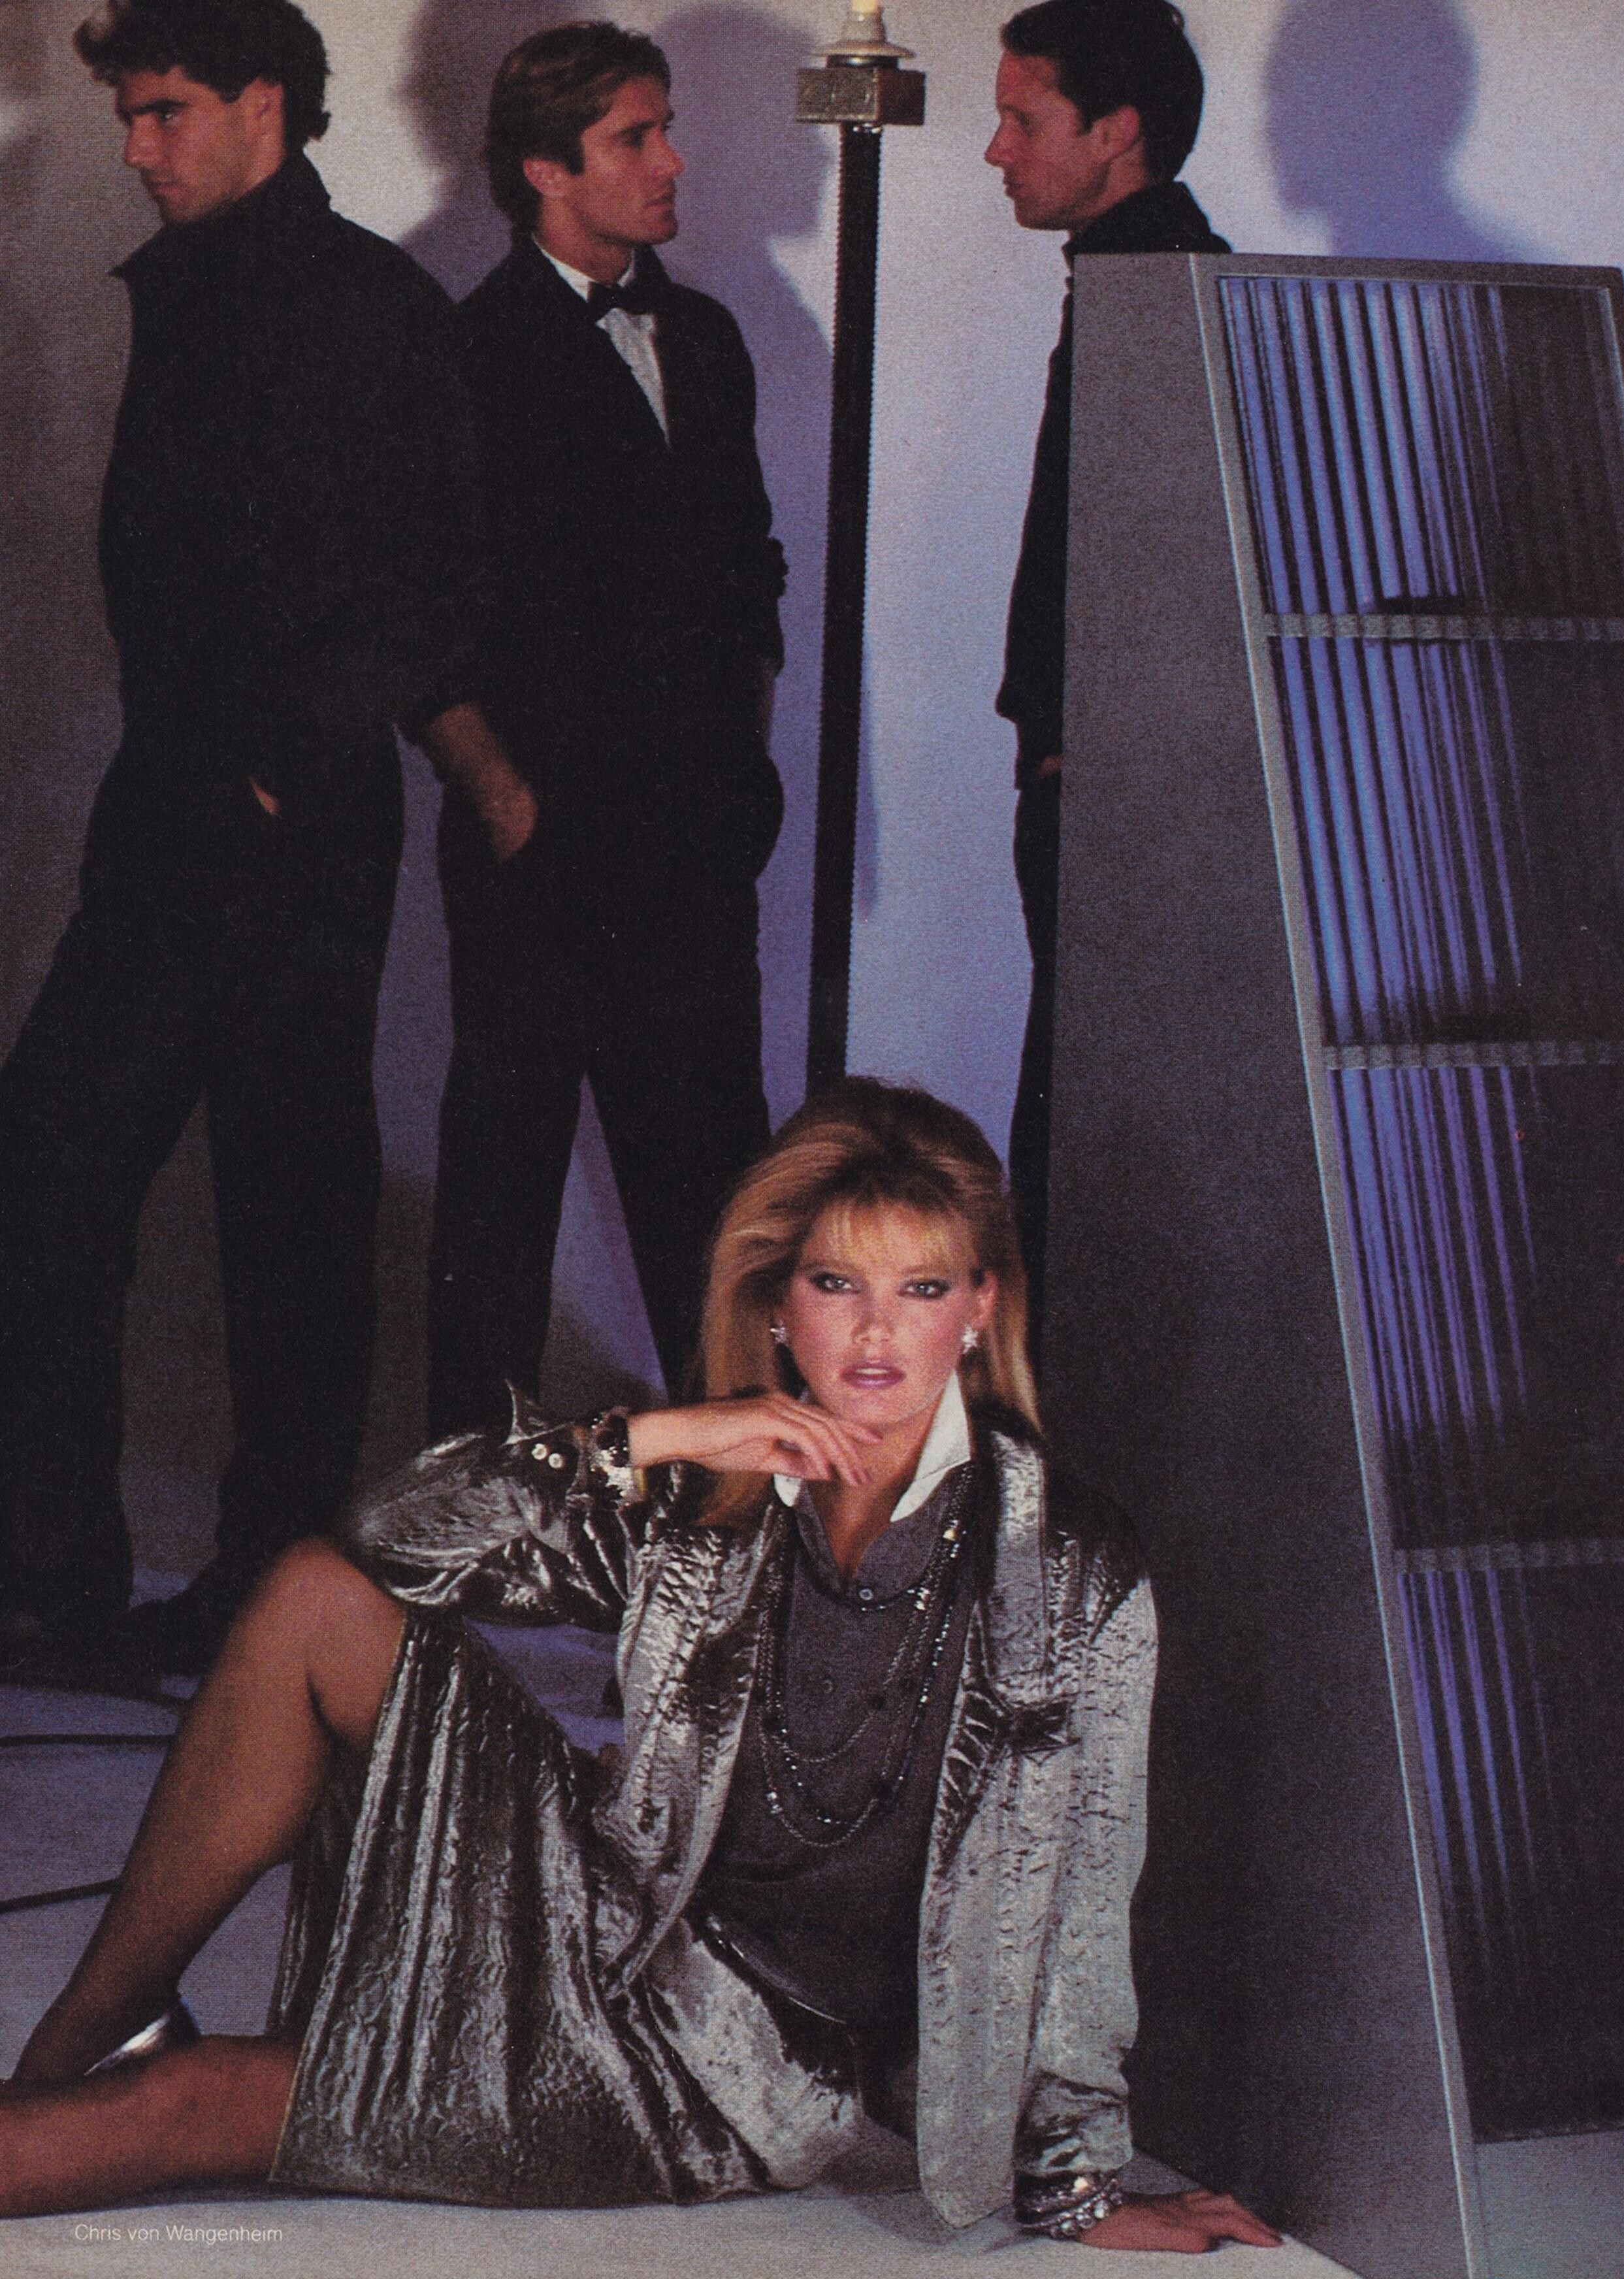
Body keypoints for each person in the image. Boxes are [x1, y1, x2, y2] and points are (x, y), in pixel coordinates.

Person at [1, 1079, 1278, 2256]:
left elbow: (1085, 1888)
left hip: (708, 2073)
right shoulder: (715, 1491)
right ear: (779, 1303)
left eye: (924, 1287)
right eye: (837, 1283)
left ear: (981, 1308)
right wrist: (656, 1435)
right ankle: (78, 2039)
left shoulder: (1067, 1567)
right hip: (586, 1905)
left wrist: (1079, 2181)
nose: (878, 1332)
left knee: (195, 2103)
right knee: (312, 1597)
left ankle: (81, 2093)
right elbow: (387, 1536)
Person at [0, 0, 493, 1683]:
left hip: (282, 821)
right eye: (128, 116)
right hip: (179, 805)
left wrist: (285, 764)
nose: (137, 148)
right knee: (68, 1168)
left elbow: (433, 575)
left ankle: (251, 1595)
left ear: (265, 102)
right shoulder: (200, 283)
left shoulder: (364, 303)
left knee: (286, 1203)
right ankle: (67, 1582)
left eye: (167, 112)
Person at [425, 24, 788, 1430]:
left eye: (665, 127)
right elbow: (424, 610)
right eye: (636, 137)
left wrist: (742, 767)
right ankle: (470, 1505)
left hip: (692, 844)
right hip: (544, 847)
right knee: (501, 1193)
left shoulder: (705, 337)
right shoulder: (467, 352)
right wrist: (506, 801)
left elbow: (749, 573)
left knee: (720, 1196)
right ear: (544, 170)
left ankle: (738, 1499)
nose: (672, 161)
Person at [986, 0, 1227, 1339]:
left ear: (1116, 131)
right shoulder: (1147, 275)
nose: (997, 151)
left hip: (1113, 791)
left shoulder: (1150, 291)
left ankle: (1066, 1423)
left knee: (1087, 1135)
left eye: (1023, 121)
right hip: (1101, 775)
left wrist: (1076, 747)